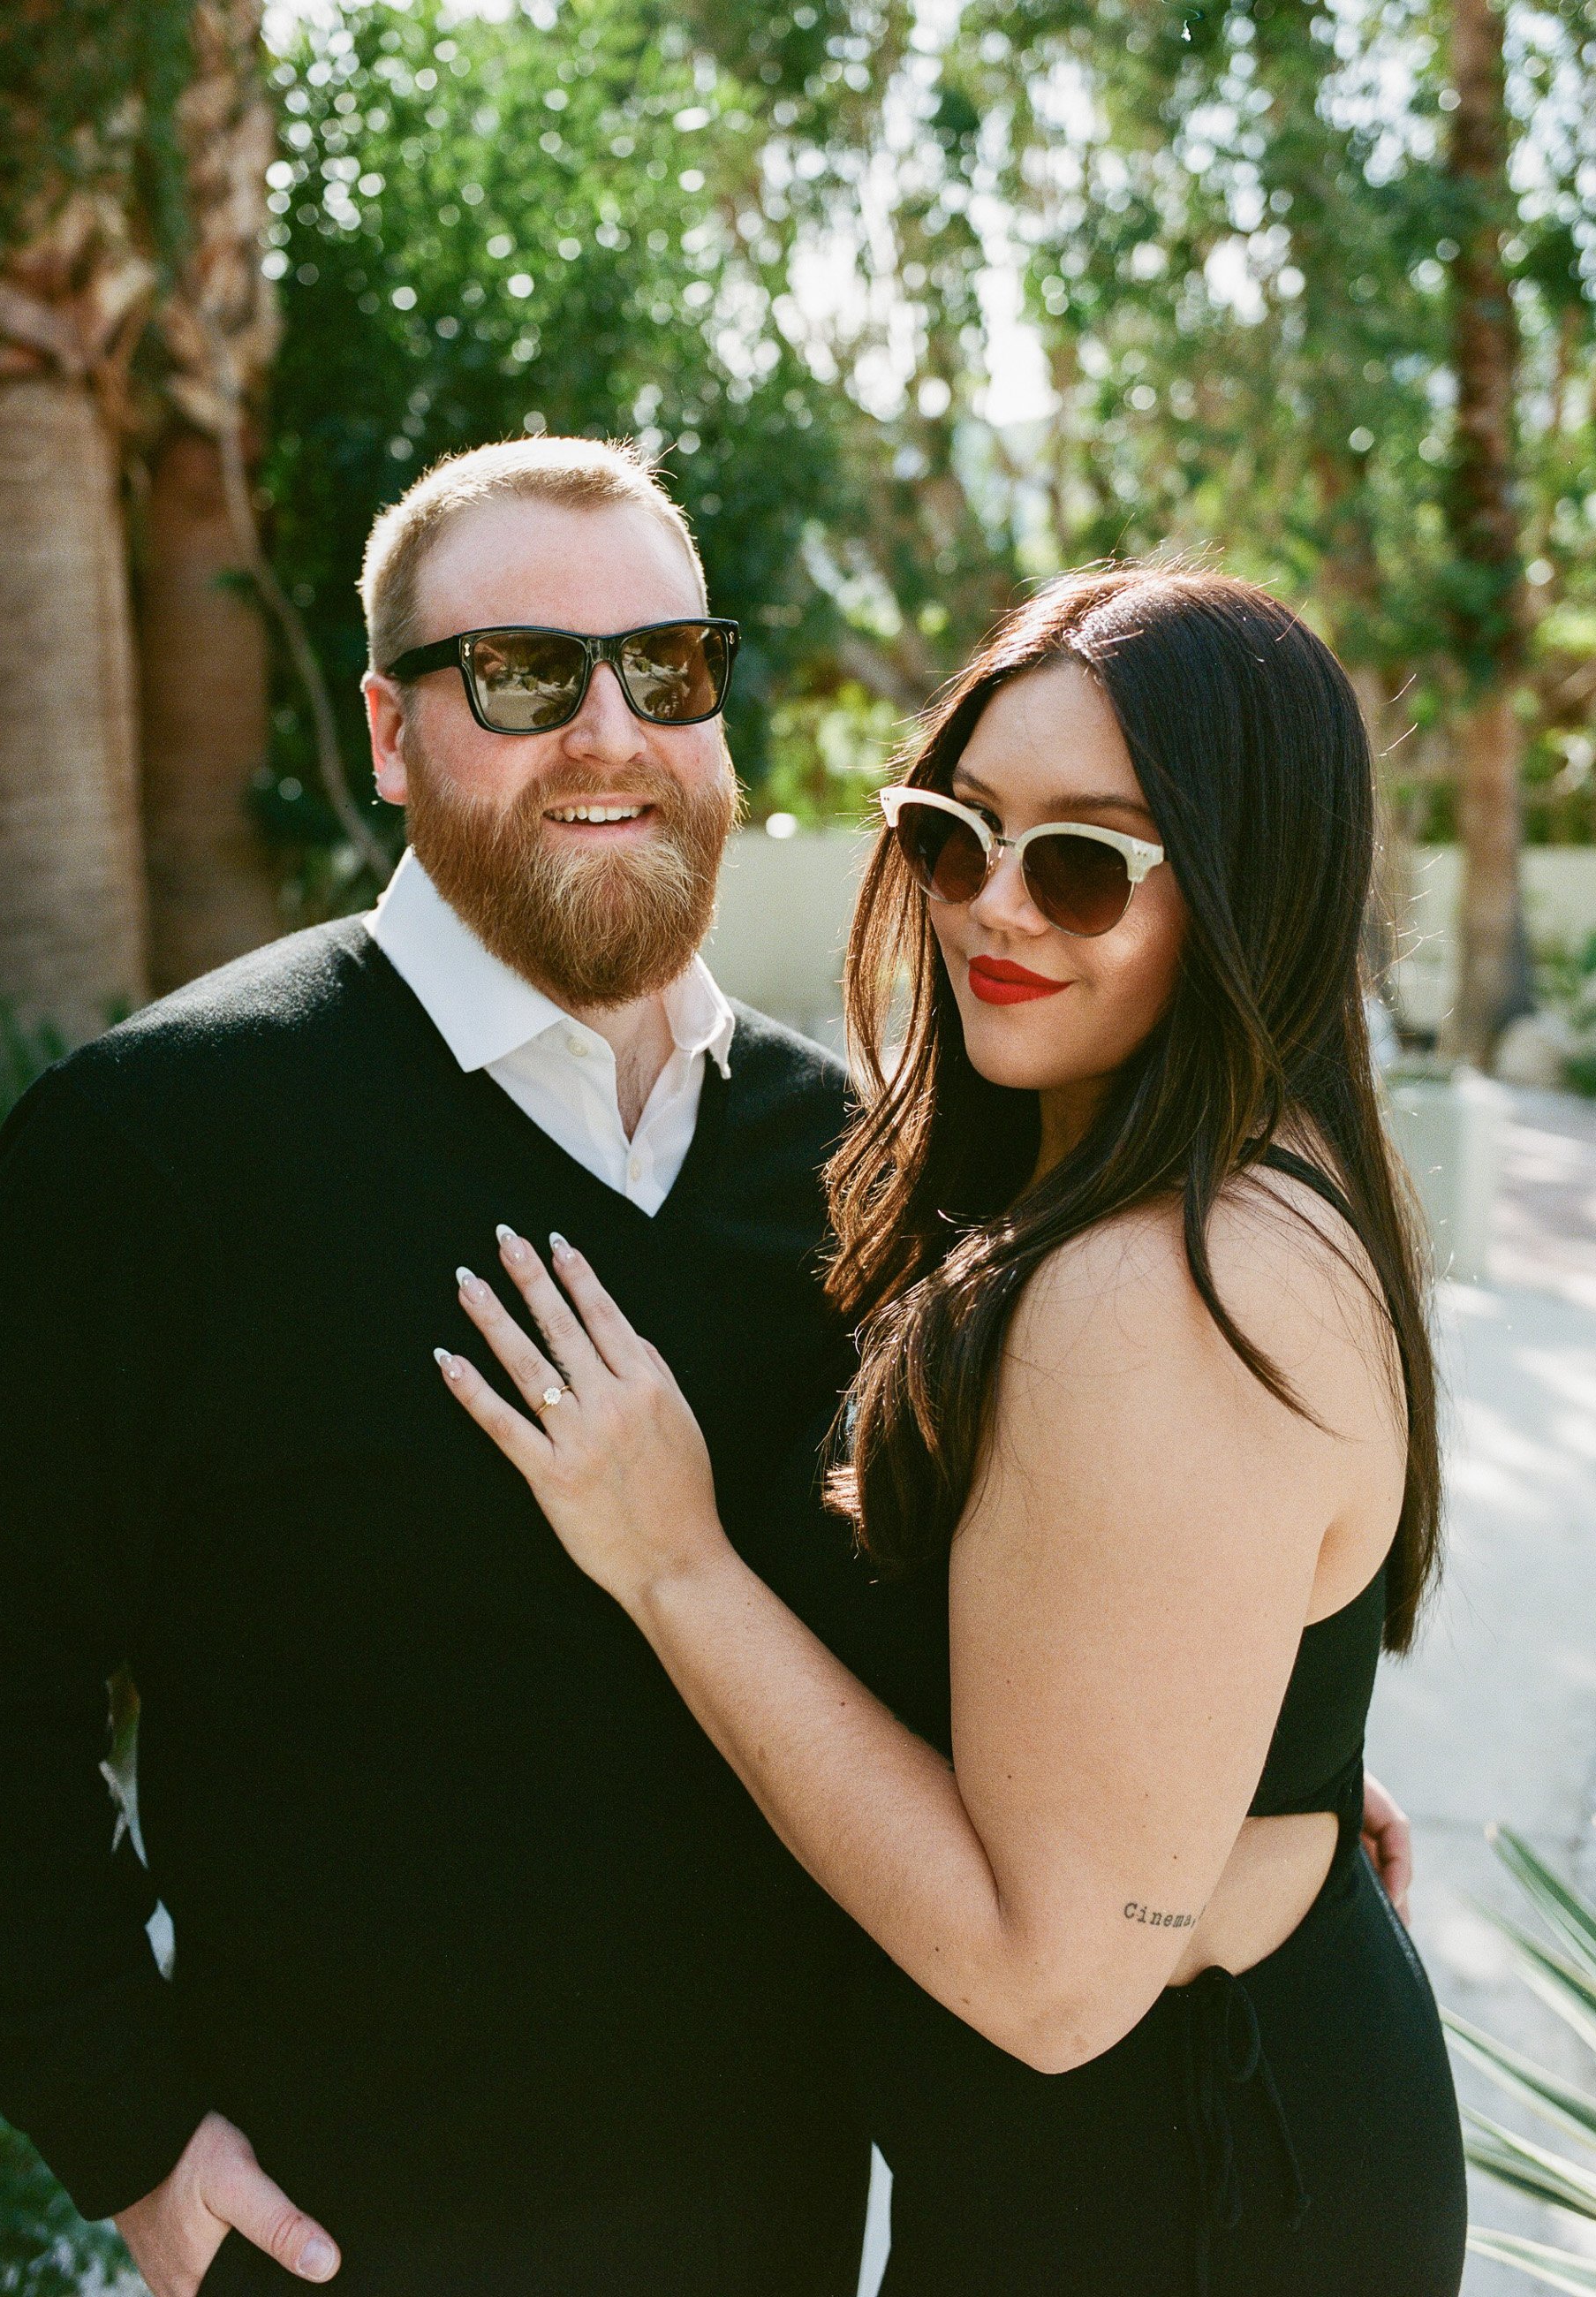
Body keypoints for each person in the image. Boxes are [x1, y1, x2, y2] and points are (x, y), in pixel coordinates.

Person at [433, 565, 1467, 2294]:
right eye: (949, 829)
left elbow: (1055, 1987)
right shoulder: (1177, 1185)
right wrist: (1197, 1750)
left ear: (1242, 888)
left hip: (1178, 2207)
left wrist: (673, 1561)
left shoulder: (1158, 1284)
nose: (994, 906)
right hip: (1178, 2150)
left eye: (1081, 862)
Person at [0, 436, 872, 2297]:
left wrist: (1237, 1766)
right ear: (387, 730)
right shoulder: (161, 1144)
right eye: (521, 673)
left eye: (665, 668)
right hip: (342, 2249)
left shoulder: (840, 1157)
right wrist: (134, 2138)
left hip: (775, 2238)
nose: (612, 730)